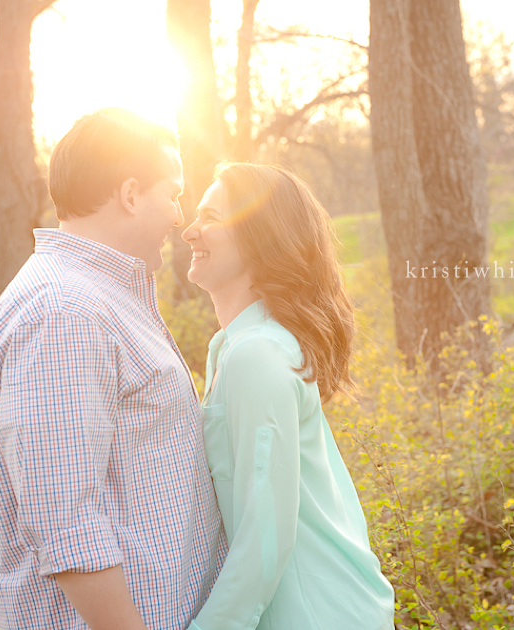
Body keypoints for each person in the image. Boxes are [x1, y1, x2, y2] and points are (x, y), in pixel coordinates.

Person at [0, 108, 225, 630]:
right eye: (173, 195)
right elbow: (66, 526)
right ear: (131, 194)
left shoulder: (96, 300)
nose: (180, 219)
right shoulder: (65, 313)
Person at [181, 163, 395, 630]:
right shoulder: (233, 346)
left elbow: (266, 533)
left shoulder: (257, 353)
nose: (190, 231)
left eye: (212, 217)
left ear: (260, 238)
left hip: (320, 613)